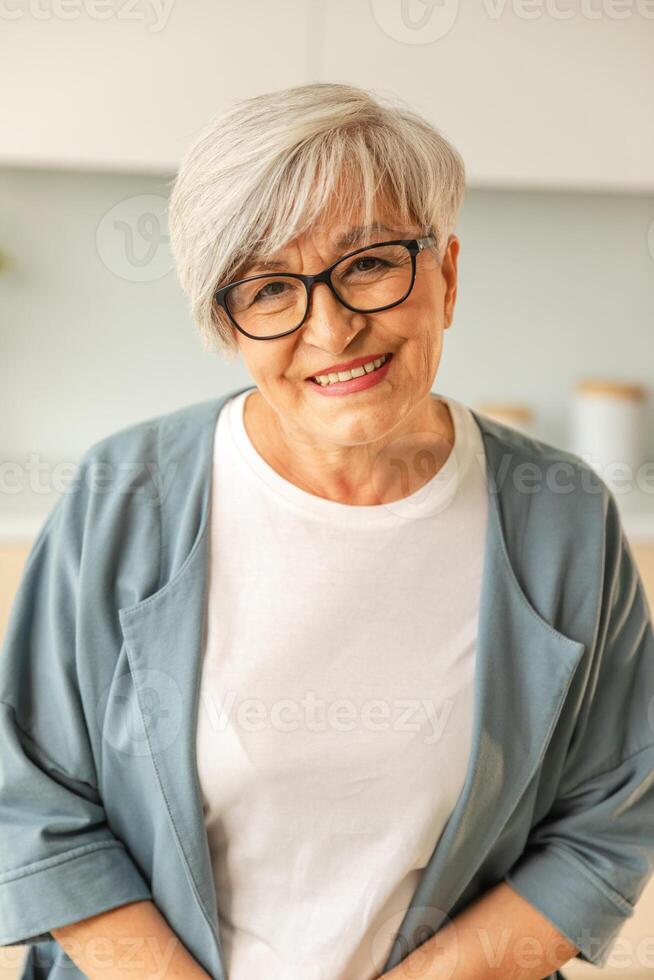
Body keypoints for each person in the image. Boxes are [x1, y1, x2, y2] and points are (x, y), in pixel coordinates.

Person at [2, 81, 653, 980]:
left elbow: (605, 824)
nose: (333, 328)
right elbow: (35, 802)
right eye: (270, 288)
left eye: (371, 263)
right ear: (226, 324)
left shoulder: (562, 515)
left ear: (447, 274)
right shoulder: (126, 493)